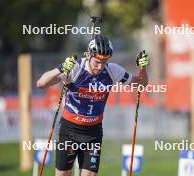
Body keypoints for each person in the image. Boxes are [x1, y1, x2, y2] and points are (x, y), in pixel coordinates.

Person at [37, 34, 149, 176]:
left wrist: (143, 68)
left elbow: (141, 84)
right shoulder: (76, 68)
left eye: (105, 61)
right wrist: (61, 69)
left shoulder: (113, 70)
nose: (100, 66)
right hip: (69, 130)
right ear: (89, 55)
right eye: (97, 61)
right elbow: (41, 83)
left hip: (93, 133)